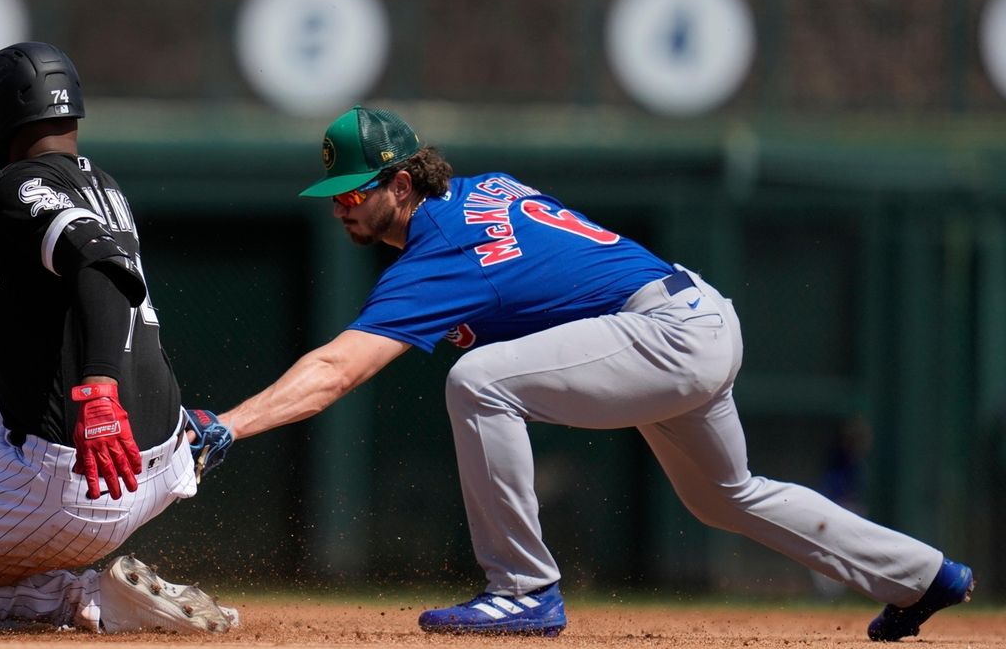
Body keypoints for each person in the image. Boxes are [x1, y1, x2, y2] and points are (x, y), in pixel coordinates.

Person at [217, 105, 975, 641]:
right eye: (332, 196)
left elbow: (336, 370)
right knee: (725, 495)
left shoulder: (439, 249)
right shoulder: (486, 188)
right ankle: (925, 575)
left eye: (353, 191)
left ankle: (522, 589)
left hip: (666, 332)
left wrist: (226, 424)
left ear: (403, 185)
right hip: (692, 314)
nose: (340, 208)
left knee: (477, 380)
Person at [0, 43, 235, 633]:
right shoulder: (100, 185)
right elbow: (3, 217)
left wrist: (99, 390)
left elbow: (100, 270)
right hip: (154, 464)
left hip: (84, 476)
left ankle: (89, 600)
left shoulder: (16, 187)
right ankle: (13, 540)